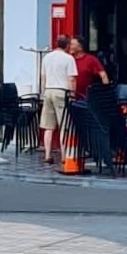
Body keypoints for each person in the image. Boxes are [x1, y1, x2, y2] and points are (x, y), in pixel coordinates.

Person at [38, 33, 78, 164]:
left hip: (48, 91)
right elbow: (71, 79)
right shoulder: (68, 59)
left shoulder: (47, 58)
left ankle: (47, 155)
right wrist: (73, 94)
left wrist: (43, 92)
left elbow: (43, 77)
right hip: (62, 92)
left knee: (48, 127)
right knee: (64, 126)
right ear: (67, 45)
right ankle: (64, 157)